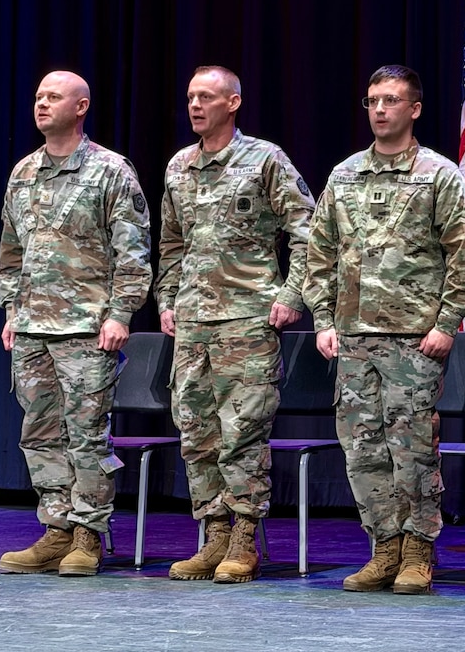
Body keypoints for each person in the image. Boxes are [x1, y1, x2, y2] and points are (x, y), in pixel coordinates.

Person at [303, 64, 465, 595]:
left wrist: (447, 323)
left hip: (413, 339)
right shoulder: (344, 175)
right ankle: (383, 548)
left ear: (414, 109)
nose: (379, 110)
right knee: (362, 450)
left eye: (390, 100)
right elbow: (319, 256)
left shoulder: (438, 175)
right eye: (372, 101)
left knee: (411, 449)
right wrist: (323, 319)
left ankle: (417, 551)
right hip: (354, 337)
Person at [156, 65, 315, 583]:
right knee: (196, 433)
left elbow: (307, 232)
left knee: (242, 432)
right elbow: (172, 244)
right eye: (190, 97)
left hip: (247, 319)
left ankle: (244, 539)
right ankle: (214, 535)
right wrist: (167, 300)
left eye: (207, 96)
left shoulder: (263, 159)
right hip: (194, 323)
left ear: (233, 103)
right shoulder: (179, 166)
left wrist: (291, 295)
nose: (196, 105)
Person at [0, 70, 152, 577]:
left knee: (86, 434)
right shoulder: (24, 173)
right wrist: (13, 311)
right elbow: (11, 253)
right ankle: (56, 529)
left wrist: (121, 313)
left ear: (81, 107)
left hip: (88, 326)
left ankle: (89, 534)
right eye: (38, 95)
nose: (42, 104)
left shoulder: (110, 171)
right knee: (39, 433)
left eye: (54, 96)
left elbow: (133, 253)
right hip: (34, 327)